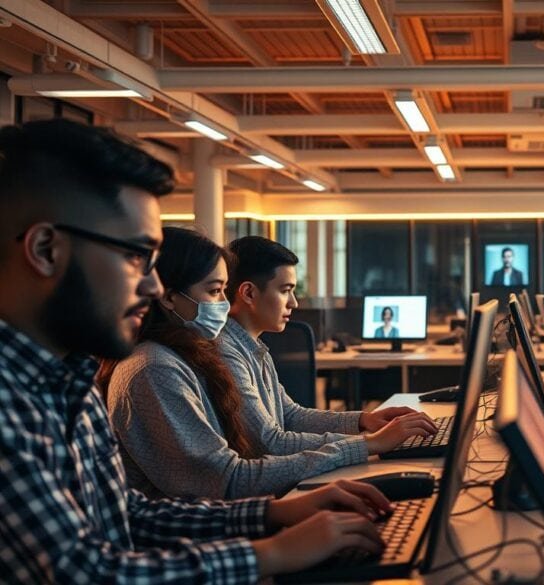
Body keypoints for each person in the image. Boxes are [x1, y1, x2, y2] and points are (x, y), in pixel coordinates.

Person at [0, 119, 391, 582]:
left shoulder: (70, 383)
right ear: (46, 249)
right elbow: (83, 572)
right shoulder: (13, 403)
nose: (152, 285)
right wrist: (272, 554)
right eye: (135, 257)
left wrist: (273, 516)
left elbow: (129, 515)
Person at [220, 235, 435, 484]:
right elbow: (271, 443)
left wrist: (364, 420)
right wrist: (370, 443)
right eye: (285, 290)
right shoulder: (226, 352)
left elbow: (291, 416)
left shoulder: (254, 347)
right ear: (248, 293)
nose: (294, 302)